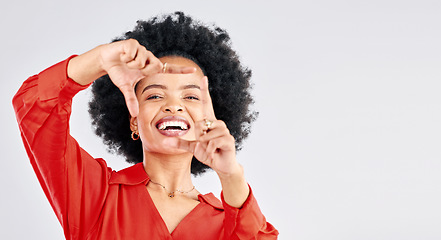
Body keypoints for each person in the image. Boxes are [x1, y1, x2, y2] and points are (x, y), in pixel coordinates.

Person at [13, 12, 278, 239]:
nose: (173, 106)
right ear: (134, 119)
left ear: (210, 120)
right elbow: (35, 106)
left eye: (191, 96)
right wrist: (99, 60)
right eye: (154, 95)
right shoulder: (96, 196)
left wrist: (231, 175)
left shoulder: (228, 223)